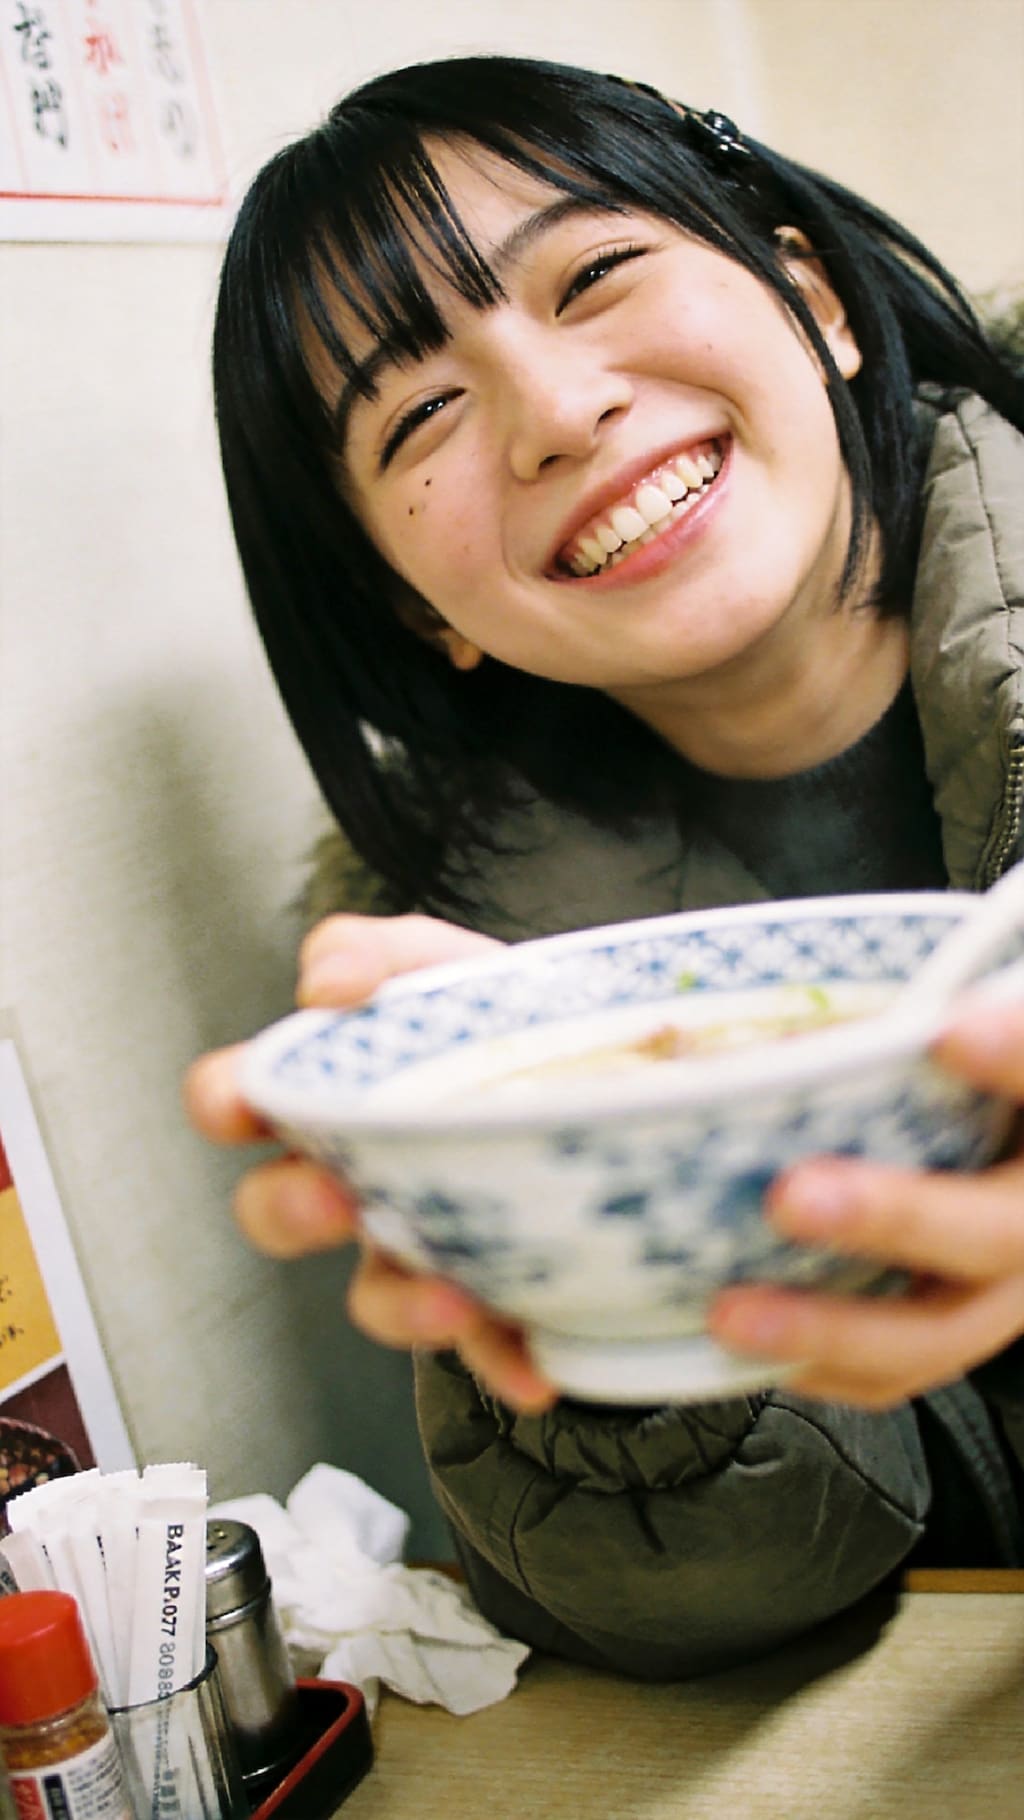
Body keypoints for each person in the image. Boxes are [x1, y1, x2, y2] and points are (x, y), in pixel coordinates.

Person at [187, 56, 1024, 1677]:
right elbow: (713, 1611)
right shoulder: (477, 989)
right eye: (420, 412)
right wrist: (578, 1257)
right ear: (416, 609)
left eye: (597, 272)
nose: (557, 413)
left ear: (811, 297)